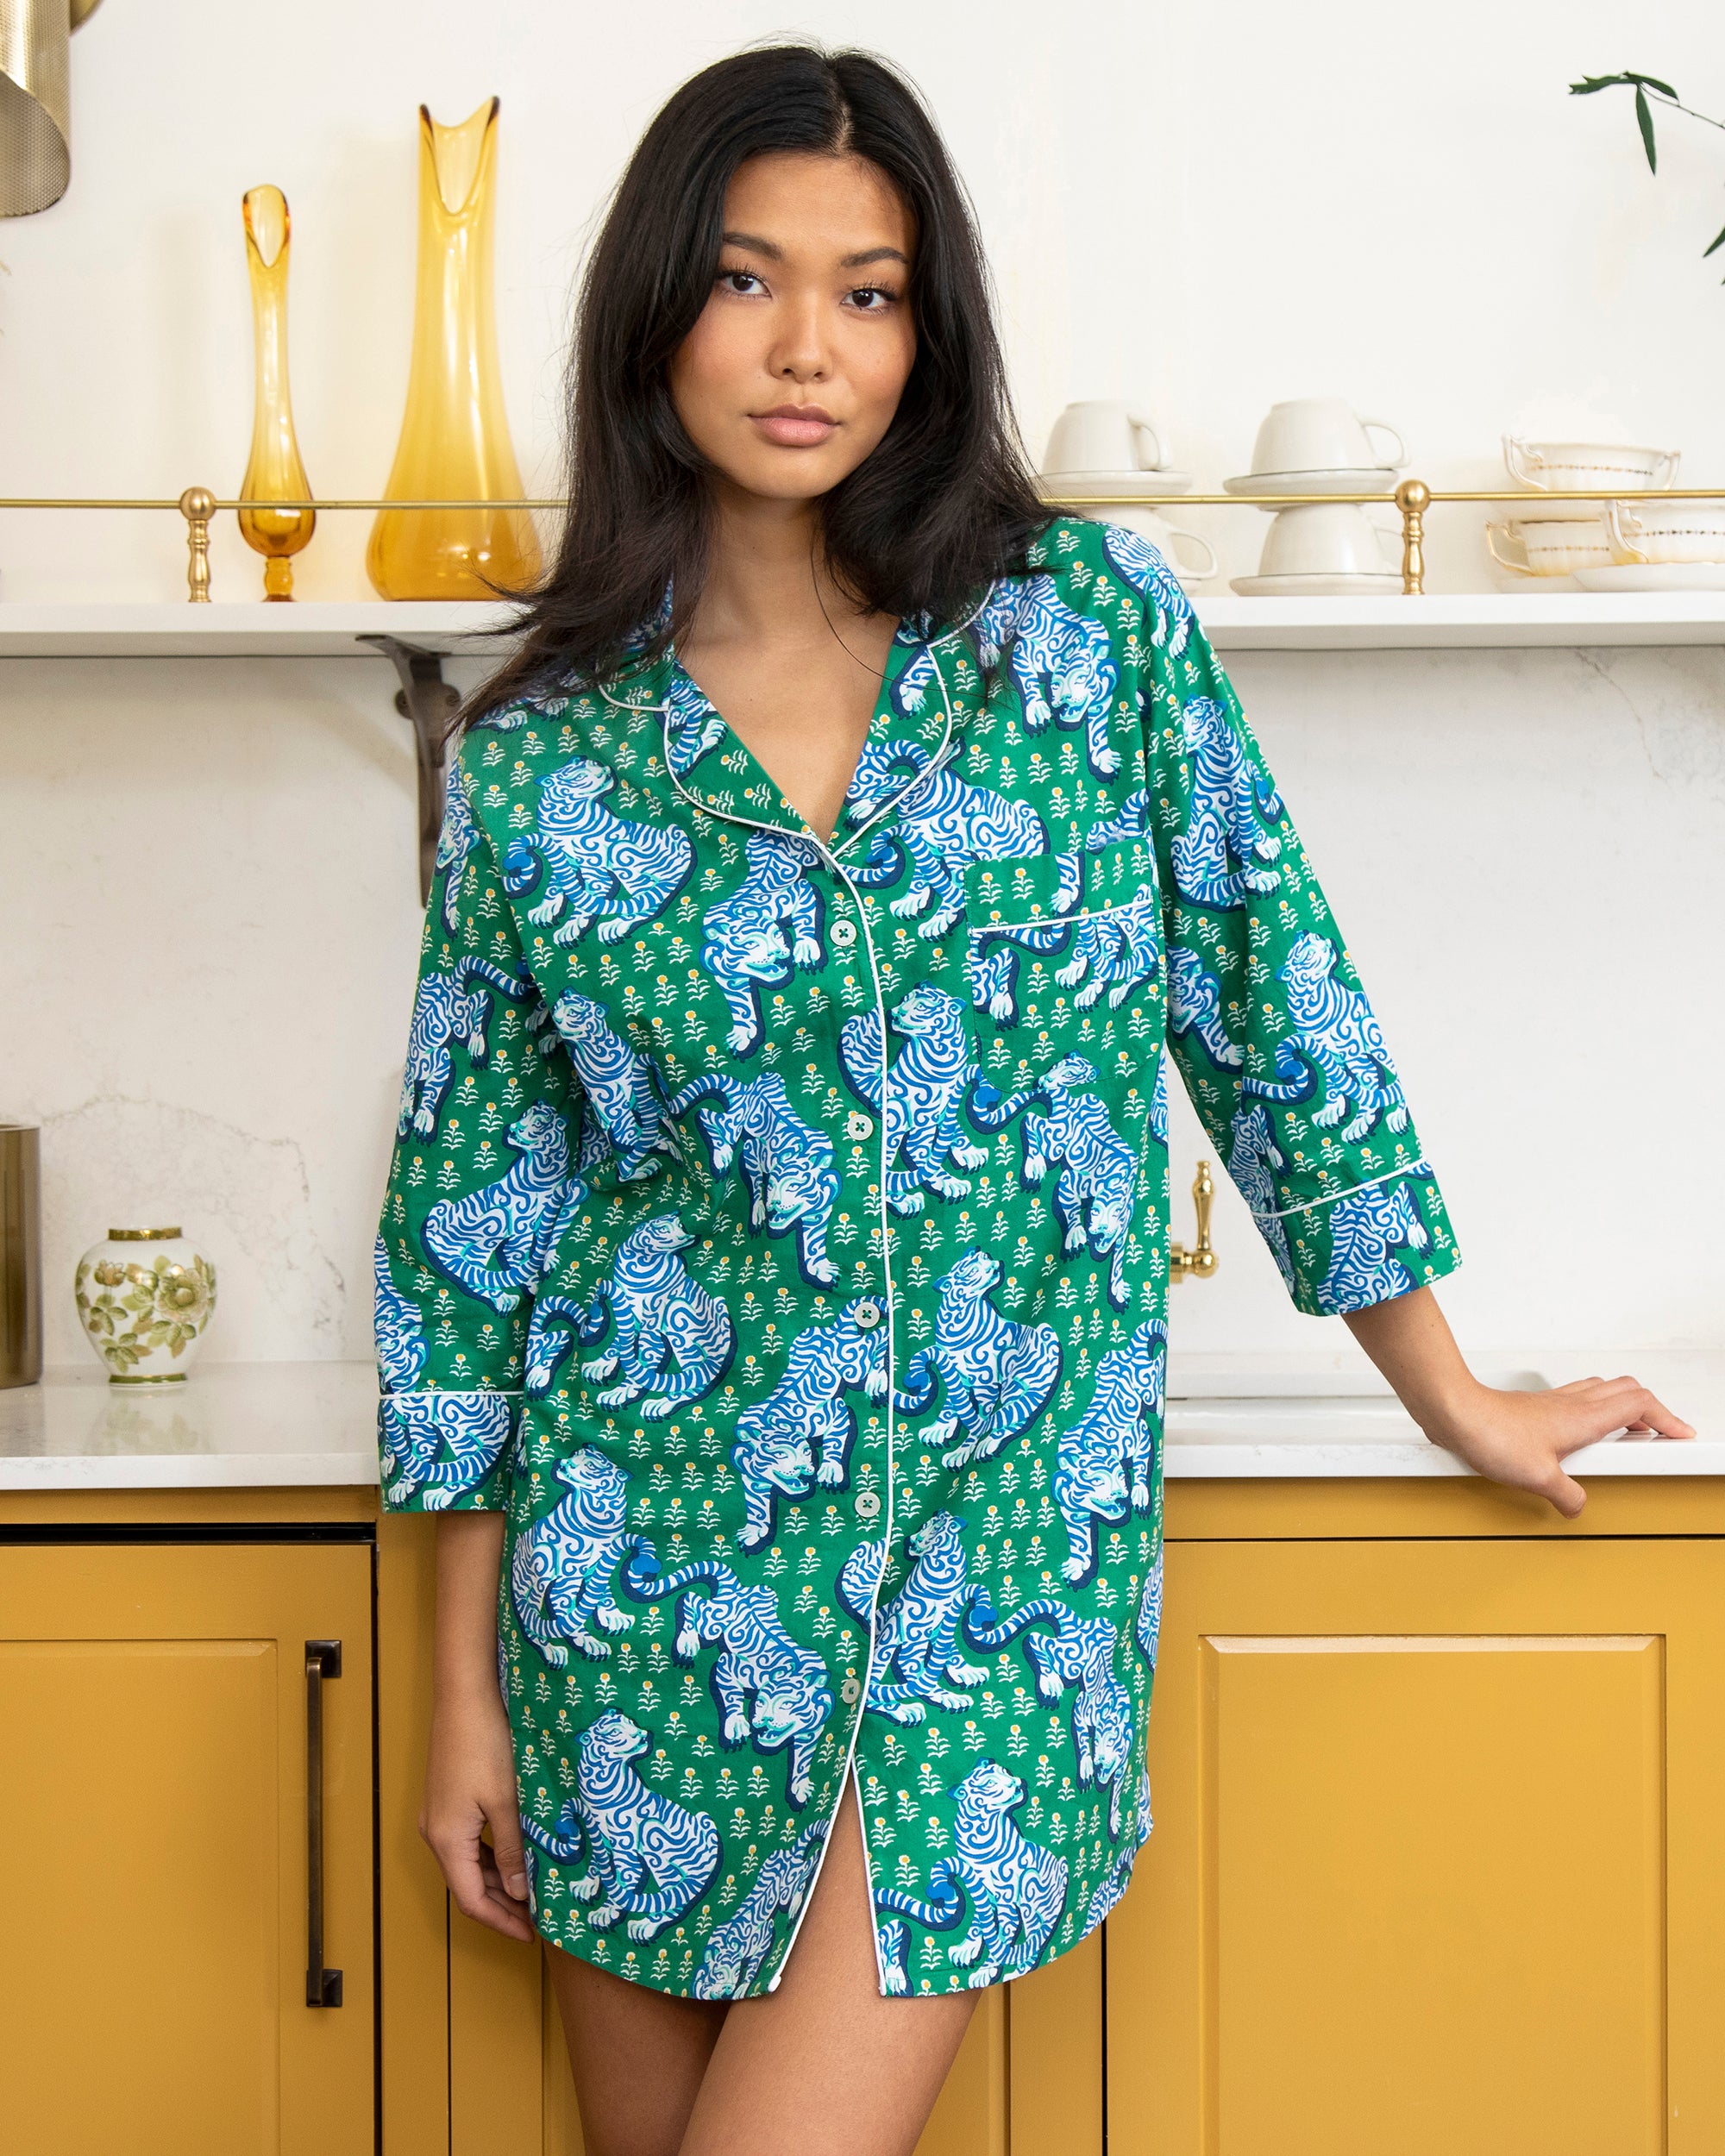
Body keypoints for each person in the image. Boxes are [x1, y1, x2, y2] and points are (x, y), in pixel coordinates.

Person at [371, 42, 1694, 2156]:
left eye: (870, 291)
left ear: (929, 332)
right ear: (654, 311)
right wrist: (459, 1696)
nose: (807, 347)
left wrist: (1454, 1391)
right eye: (746, 279)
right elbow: (470, 1244)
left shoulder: (1082, 638)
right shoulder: (542, 760)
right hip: (635, 1603)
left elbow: (1274, 1009)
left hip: (999, 1584)